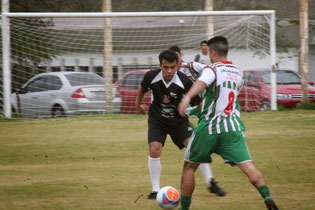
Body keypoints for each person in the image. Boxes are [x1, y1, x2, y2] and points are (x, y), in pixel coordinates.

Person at [178, 36, 279, 210]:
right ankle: (267, 196)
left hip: (208, 128)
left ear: (213, 52)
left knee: (189, 168)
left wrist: (187, 97)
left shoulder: (212, 69)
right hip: (232, 128)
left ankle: (184, 208)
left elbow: (202, 82)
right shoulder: (238, 73)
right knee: (248, 166)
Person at [135, 49, 225, 200]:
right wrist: (138, 106)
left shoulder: (184, 81)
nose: (169, 71)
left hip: (178, 121)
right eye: (165, 67)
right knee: (155, 148)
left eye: (172, 67)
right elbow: (141, 89)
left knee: (195, 147)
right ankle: (156, 190)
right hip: (157, 120)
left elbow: (198, 101)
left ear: (177, 66)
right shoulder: (151, 76)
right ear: (160, 66)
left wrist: (204, 120)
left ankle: (210, 182)